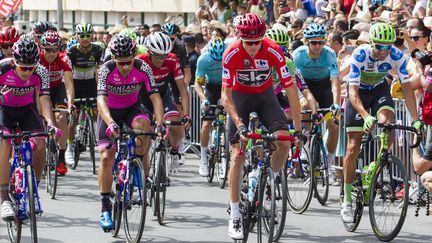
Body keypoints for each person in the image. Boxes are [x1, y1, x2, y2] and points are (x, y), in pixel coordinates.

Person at [222, 13, 302, 240]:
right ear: (240, 38)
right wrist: (239, 124)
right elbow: (225, 96)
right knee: (238, 155)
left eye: (258, 42)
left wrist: (297, 129)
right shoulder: (232, 53)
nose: (254, 47)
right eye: (249, 43)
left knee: (283, 143)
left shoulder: (274, 49)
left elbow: (291, 91)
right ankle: (235, 212)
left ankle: (268, 180)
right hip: (240, 98)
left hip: (266, 96)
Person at [341, 23, 422, 223]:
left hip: (379, 92)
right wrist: (365, 115)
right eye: (380, 47)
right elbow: (352, 92)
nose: (384, 51)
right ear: (372, 43)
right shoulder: (360, 55)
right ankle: (347, 200)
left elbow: (407, 89)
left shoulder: (397, 56)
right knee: (353, 146)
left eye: (388, 46)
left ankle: (379, 164)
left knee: (388, 124)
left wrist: (416, 120)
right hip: (358, 94)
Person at [96, 34, 164, 230]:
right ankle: (105, 207)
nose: (125, 67)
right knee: (106, 158)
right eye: (121, 63)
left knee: (145, 126)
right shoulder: (106, 69)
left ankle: (135, 165)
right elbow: (101, 100)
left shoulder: (143, 68)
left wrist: (159, 124)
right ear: (114, 58)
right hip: (109, 112)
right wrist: (109, 122)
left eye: (128, 62)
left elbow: (156, 98)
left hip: (132, 108)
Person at [0, 37, 60, 221]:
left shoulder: (40, 71)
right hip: (4, 109)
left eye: (30, 68)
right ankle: (3, 198)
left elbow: (44, 99)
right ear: (14, 61)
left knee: (41, 142)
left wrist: (50, 123)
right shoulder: (3, 67)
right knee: (4, 141)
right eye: (23, 67)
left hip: (27, 111)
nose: (27, 72)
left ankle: (33, 187)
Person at [136, 32, 190, 174]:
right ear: (149, 52)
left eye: (164, 56)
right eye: (158, 56)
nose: (161, 60)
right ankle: (145, 177)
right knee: (146, 140)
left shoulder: (172, 60)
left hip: (164, 94)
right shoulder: (140, 61)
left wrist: (187, 115)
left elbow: (183, 90)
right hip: (144, 98)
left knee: (175, 123)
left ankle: (173, 151)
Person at [293, 23, 340, 184]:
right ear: (307, 42)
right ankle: (305, 146)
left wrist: (336, 103)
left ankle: (328, 164)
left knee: (334, 126)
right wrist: (301, 98)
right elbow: (296, 81)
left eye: (321, 42)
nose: (318, 46)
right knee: (306, 107)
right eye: (314, 42)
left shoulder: (330, 54)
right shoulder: (298, 55)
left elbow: (335, 81)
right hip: (305, 85)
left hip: (324, 87)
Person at [66, 23, 104, 166]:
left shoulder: (97, 49)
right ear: (77, 36)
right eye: (82, 36)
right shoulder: (71, 51)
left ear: (92, 35)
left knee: (96, 112)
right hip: (76, 84)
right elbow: (68, 76)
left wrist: (101, 91)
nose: (85, 39)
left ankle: (97, 137)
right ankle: (69, 147)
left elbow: (99, 72)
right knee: (73, 117)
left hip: (90, 84)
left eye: (88, 35)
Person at [40, 30, 75, 176]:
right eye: (48, 50)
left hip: (57, 89)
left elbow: (68, 84)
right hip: (41, 90)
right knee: (41, 118)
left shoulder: (64, 59)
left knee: (62, 117)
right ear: (42, 48)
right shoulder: (37, 58)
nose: (51, 53)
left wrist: (71, 104)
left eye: (55, 50)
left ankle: (61, 157)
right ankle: (41, 157)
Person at [194, 37, 226, 177]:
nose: (218, 62)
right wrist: (204, 99)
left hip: (226, 85)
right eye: (215, 59)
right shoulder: (203, 59)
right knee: (206, 124)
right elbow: (197, 84)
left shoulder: (229, 55)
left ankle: (225, 158)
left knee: (228, 122)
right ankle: (203, 158)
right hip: (211, 87)